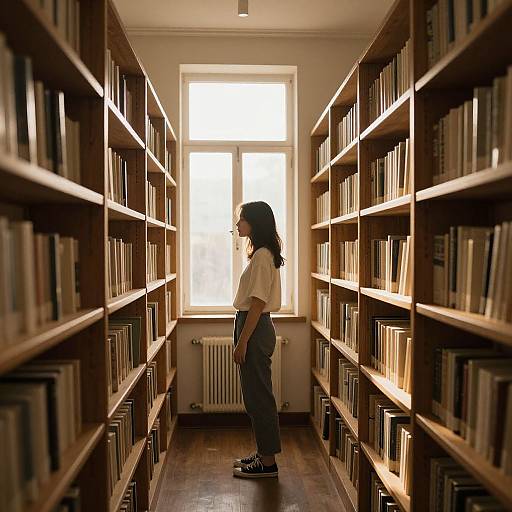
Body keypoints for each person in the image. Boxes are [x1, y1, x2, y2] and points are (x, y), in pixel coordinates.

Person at [231, 201, 284, 479]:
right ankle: (264, 452)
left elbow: (257, 302)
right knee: (254, 396)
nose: (238, 225)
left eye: (242, 219)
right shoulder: (262, 254)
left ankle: (268, 463)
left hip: (255, 326)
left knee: (259, 398)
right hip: (253, 325)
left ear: (255, 223)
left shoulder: (263, 255)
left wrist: (242, 342)